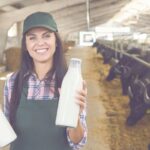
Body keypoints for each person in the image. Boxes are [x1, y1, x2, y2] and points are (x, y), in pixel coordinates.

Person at [3, 11, 87, 150]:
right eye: (32, 38)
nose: (40, 43)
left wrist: (75, 117)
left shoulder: (70, 81)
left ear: (56, 41)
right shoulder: (12, 82)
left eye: (46, 36)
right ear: (25, 45)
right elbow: (6, 133)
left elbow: (77, 143)